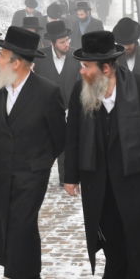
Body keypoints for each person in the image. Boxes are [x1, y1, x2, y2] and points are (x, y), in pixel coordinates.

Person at [63, 30, 140, 279]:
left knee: (138, 234)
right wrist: (70, 175)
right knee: (109, 232)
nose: (82, 70)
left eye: (87, 65)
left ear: (107, 68)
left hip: (137, 176)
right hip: (98, 176)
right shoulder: (81, 90)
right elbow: (72, 134)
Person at [0, 26, 66, 279]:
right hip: (0, 171)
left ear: (17, 62)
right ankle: (15, 271)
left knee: (23, 223)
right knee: (3, 220)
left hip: (31, 173)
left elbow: (59, 137)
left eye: (2, 55)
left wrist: (40, 163)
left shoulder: (47, 92)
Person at [33, 19, 80, 182]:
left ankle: (65, 178)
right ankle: (39, 178)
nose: (66, 44)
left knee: (67, 146)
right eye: (62, 42)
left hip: (70, 109)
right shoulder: (40, 58)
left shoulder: (76, 56)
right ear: (52, 43)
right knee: (45, 145)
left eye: (68, 40)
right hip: (46, 111)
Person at [111, 17, 140, 81]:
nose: (126, 47)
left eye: (129, 43)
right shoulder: (112, 57)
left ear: (135, 41)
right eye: (123, 44)